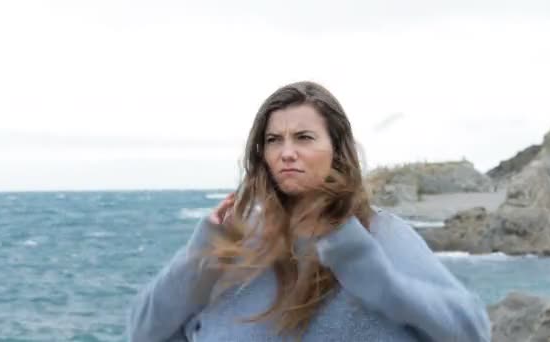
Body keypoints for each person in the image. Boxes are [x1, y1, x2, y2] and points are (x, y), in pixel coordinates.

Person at [127, 81, 491, 341]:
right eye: (274, 141)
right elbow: (143, 331)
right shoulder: (238, 239)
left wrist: (370, 272)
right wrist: (200, 256)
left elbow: (472, 330)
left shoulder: (378, 234)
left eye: (304, 138)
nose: (287, 153)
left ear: (337, 149)